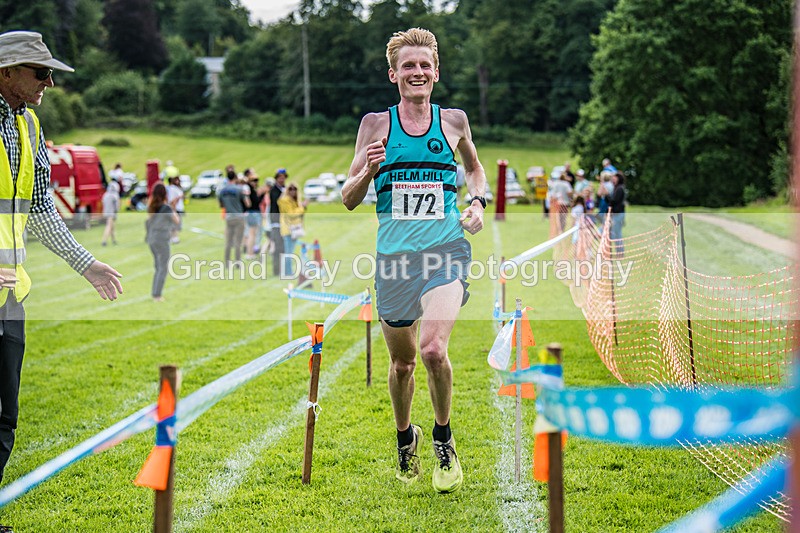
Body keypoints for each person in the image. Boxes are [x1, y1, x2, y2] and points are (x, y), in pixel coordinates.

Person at [342, 27, 486, 494]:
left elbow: (475, 169)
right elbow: (347, 197)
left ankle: (443, 437)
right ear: (394, 75)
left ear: (436, 72)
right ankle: (407, 437)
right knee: (402, 364)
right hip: (394, 261)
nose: (417, 72)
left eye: (424, 65)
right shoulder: (375, 125)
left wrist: (477, 202)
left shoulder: (455, 121)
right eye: (408, 65)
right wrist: (369, 170)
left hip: (446, 252)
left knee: (432, 350)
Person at [0, 31, 123, 521]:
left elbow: (41, 210)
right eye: (39, 71)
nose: (49, 81)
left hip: (9, 299)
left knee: (4, 417)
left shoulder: (28, 125)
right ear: (6, 71)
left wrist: (85, 263)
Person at [146, 183, 178, 301]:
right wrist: (173, 207)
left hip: (152, 239)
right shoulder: (166, 208)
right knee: (163, 268)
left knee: (158, 267)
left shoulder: (151, 207)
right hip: (162, 238)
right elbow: (176, 220)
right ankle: (157, 295)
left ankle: (155, 292)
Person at [218, 169, 249, 269]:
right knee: (238, 241)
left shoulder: (222, 190)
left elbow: (221, 204)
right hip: (239, 217)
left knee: (228, 241)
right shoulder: (239, 189)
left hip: (229, 217)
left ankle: (227, 262)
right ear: (235, 178)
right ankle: (238, 262)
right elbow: (247, 203)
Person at [277, 182, 308, 277]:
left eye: (294, 189)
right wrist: (302, 207)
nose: (292, 191)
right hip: (288, 230)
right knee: (289, 252)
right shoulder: (285, 200)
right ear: (287, 190)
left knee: (290, 252)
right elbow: (291, 214)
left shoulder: (294, 201)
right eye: (290, 189)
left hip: (294, 229)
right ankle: (287, 272)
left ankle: (288, 271)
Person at [243, 168, 268, 259]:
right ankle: (250, 253)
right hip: (252, 212)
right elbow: (254, 202)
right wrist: (262, 194)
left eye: (256, 180)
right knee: (252, 233)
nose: (255, 182)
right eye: (253, 180)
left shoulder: (251, 189)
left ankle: (250, 251)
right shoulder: (249, 190)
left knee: (252, 233)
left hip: (251, 213)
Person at [269, 169, 287, 275]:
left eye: (284, 177)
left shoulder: (284, 189)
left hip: (285, 221)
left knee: (284, 247)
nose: (282, 179)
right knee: (278, 246)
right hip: (276, 221)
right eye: (280, 177)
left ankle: (283, 269)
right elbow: (277, 202)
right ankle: (277, 270)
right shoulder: (274, 190)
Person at [609, 172, 626, 255]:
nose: (613, 179)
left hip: (618, 214)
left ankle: (620, 252)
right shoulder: (616, 188)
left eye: (614, 177)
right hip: (617, 214)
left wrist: (606, 196)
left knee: (617, 234)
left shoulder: (619, 188)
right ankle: (619, 251)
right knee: (615, 233)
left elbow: (614, 201)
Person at [101, 179, 120, 246]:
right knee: (109, 226)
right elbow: (117, 206)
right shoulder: (115, 195)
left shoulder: (105, 195)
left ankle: (114, 240)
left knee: (112, 226)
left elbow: (103, 203)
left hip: (106, 212)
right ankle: (104, 240)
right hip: (111, 213)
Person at [166, 176, 184, 244]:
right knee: (175, 224)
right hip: (175, 208)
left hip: (177, 208)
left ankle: (173, 237)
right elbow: (172, 200)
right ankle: (174, 238)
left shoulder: (173, 188)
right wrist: (174, 209)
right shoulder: (172, 188)